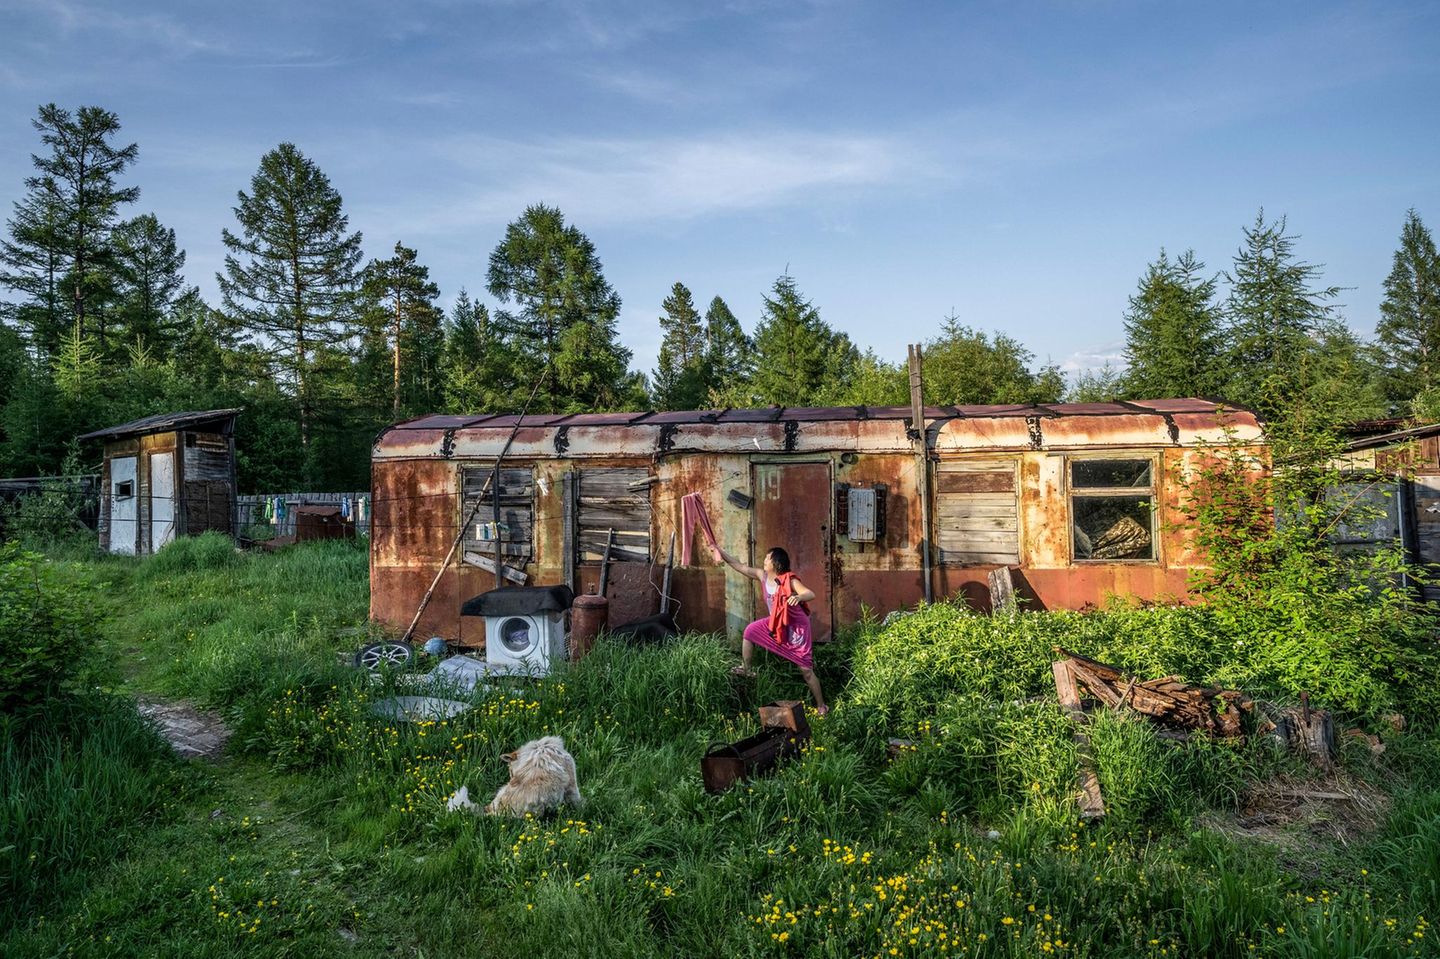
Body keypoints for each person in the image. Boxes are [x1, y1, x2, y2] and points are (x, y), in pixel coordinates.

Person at [712, 544, 828, 715]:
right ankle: (746, 668)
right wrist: (719, 551)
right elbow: (739, 566)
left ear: (777, 562)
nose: (764, 561)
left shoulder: (789, 580)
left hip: (795, 628)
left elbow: (810, 594)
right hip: (776, 622)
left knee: (806, 671)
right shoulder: (762, 576)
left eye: (768, 558)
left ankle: (821, 706)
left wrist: (798, 596)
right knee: (750, 631)